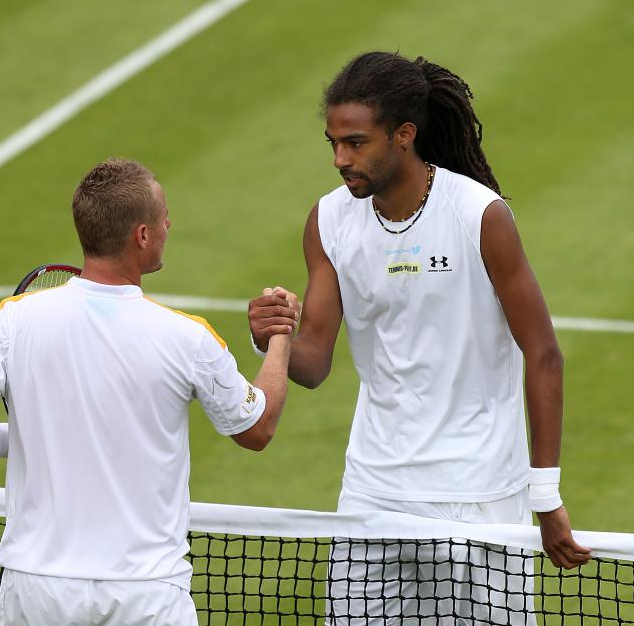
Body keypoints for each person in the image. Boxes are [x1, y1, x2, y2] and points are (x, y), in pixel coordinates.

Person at [248, 52, 591, 624]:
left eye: (355, 143)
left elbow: (544, 353)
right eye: (333, 143)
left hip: (477, 496)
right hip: (373, 494)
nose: (340, 159)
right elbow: (313, 364)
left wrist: (545, 493)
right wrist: (272, 337)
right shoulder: (328, 222)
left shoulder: (480, 215)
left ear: (404, 135)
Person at [0, 158, 297, 626]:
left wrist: (22, 438)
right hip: (143, 595)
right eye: (163, 217)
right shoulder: (187, 337)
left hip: (37, 590)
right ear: (142, 235)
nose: (169, 224)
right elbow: (257, 428)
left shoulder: (12, 319)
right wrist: (280, 336)